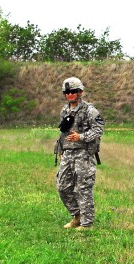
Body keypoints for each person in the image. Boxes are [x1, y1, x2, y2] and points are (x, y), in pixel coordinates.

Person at [55, 77, 104, 230]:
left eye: (73, 92)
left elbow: (98, 129)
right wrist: (60, 149)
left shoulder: (90, 110)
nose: (69, 95)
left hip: (84, 153)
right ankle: (77, 216)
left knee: (83, 187)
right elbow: (63, 132)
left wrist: (81, 137)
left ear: (80, 92)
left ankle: (87, 223)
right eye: (67, 92)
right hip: (68, 153)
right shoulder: (65, 110)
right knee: (62, 186)